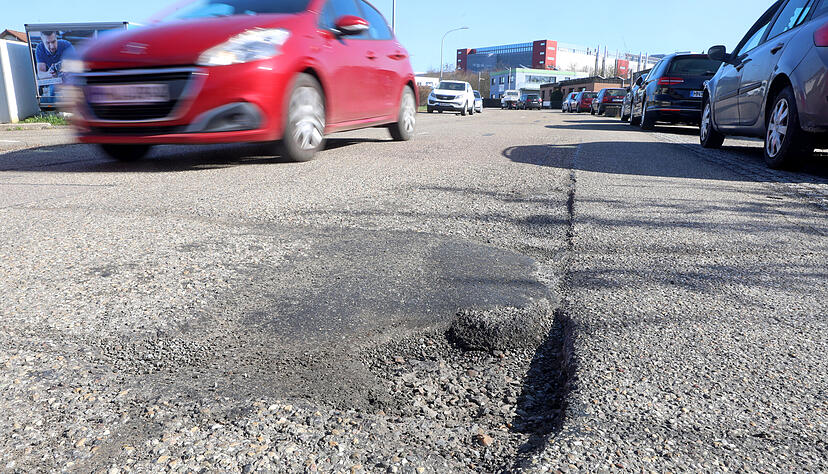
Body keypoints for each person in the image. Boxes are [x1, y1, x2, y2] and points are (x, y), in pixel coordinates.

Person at [35, 31, 75, 105]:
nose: (52, 46)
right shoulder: (40, 49)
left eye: (53, 42)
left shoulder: (66, 45)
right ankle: (53, 110)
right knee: (53, 89)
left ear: (56, 37)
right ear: (42, 40)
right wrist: (49, 74)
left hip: (69, 78)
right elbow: (40, 75)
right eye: (48, 43)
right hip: (54, 80)